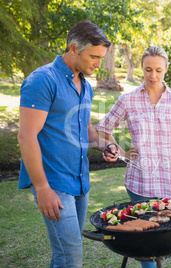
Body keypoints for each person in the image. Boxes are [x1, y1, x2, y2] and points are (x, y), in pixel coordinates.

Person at [18, 20, 117, 267]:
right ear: (73, 49)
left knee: (65, 252)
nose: (98, 64)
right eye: (94, 57)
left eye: (101, 58)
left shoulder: (86, 86)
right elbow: (26, 136)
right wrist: (42, 188)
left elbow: (85, 133)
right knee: (70, 255)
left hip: (80, 180)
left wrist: (109, 146)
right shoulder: (42, 80)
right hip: (53, 181)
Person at [96, 46, 171, 268]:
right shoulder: (129, 100)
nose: (153, 76)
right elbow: (104, 128)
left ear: (166, 70)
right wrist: (122, 152)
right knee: (146, 243)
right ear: (142, 68)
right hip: (140, 183)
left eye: (159, 70)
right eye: (148, 69)